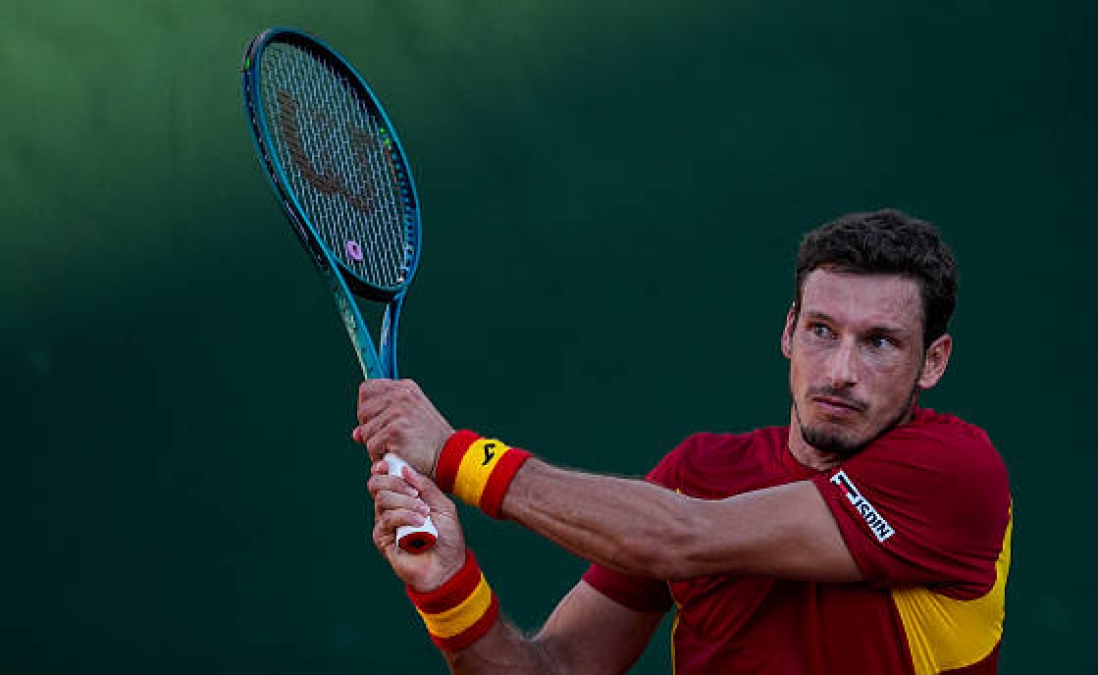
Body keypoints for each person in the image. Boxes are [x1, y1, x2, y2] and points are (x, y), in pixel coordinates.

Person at [355, 209, 1012, 674]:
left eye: (879, 342)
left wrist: (454, 455)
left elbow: (682, 536)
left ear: (933, 361)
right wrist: (446, 584)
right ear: (788, 330)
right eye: (821, 330)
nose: (840, 370)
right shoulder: (698, 472)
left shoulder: (955, 473)